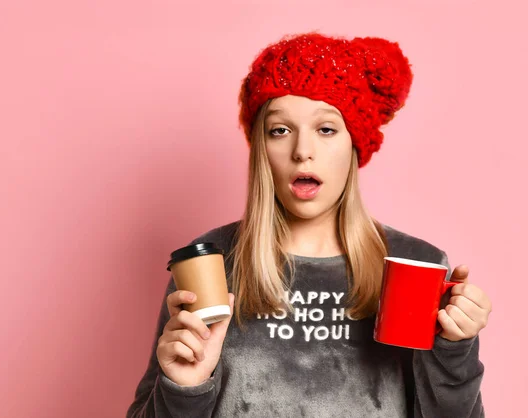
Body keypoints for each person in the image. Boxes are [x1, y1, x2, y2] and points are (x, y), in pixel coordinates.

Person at [127, 33, 491, 418]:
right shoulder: (211, 263)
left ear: (354, 145)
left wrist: (455, 351)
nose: (302, 150)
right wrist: (185, 388)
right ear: (261, 147)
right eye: (280, 130)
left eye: (326, 129)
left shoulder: (415, 264)